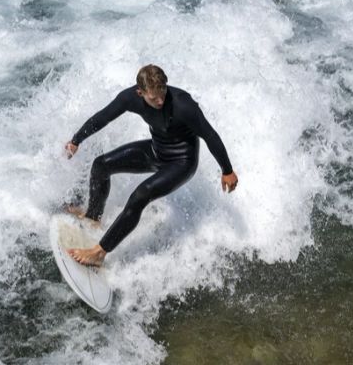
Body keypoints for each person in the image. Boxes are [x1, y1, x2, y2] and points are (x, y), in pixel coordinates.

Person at [63, 64, 238, 266]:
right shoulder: (130, 98)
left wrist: (227, 170)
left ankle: (99, 253)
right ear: (140, 92)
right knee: (101, 165)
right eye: (153, 98)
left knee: (141, 195)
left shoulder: (184, 105)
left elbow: (210, 135)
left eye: (162, 93)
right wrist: (76, 140)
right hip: (156, 151)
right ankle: (93, 217)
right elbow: (103, 117)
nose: (160, 101)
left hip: (182, 162)